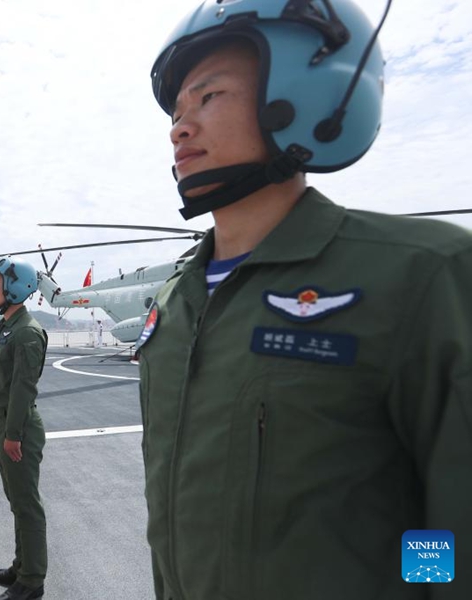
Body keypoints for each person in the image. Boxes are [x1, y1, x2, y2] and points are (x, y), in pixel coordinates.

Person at [138, 1, 472, 599]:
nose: (178, 127)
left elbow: (450, 518)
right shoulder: (177, 299)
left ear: (304, 93)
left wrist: (431, 579)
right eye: (178, 109)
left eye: (209, 97)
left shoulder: (420, 276)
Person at [0, 257, 48, 600]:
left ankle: (33, 580)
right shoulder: (8, 327)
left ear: (13, 287)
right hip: (3, 421)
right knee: (17, 502)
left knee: (27, 505)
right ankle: (21, 567)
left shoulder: (25, 332)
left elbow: (24, 388)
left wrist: (12, 435)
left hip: (16, 425)